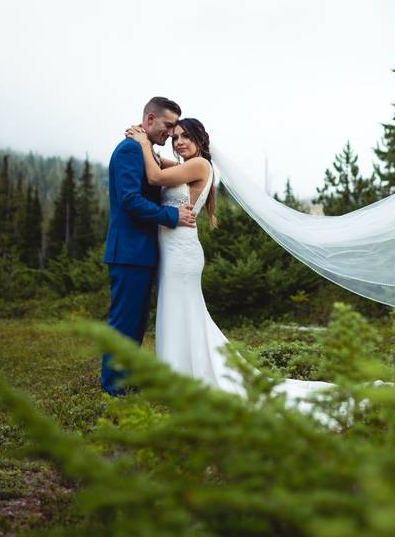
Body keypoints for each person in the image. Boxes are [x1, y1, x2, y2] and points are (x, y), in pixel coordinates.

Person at [125, 118, 337, 413]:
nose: (179, 142)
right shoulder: (185, 165)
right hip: (173, 251)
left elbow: (156, 178)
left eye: (185, 136)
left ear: (200, 139)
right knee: (181, 313)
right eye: (175, 138)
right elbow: (163, 165)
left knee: (181, 311)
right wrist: (152, 149)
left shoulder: (199, 165)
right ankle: (180, 374)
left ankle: (181, 378)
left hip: (181, 254)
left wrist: (145, 143)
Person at [101, 97, 196, 396]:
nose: (170, 134)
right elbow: (130, 200)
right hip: (129, 251)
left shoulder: (146, 151)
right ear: (150, 119)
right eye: (168, 127)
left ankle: (124, 378)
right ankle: (113, 387)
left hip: (141, 252)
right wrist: (172, 215)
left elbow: (161, 174)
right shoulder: (130, 149)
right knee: (124, 320)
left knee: (135, 321)